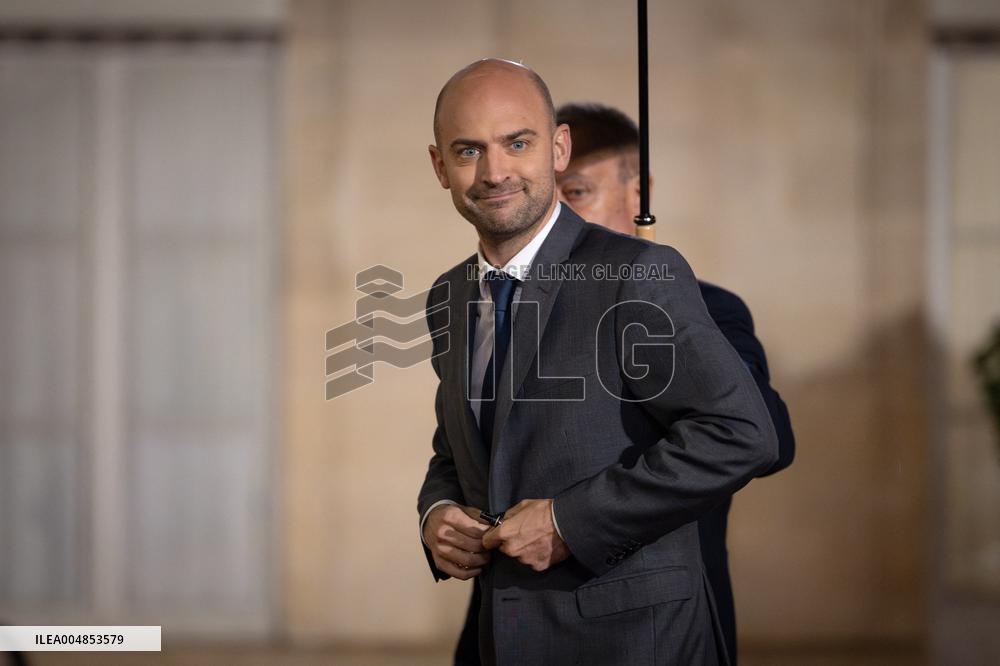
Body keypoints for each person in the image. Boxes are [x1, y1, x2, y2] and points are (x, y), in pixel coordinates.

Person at [418, 59, 779, 666]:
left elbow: (741, 433)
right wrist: (437, 512)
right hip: (500, 641)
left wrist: (567, 521)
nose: (494, 170)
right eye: (467, 150)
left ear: (558, 148)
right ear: (439, 167)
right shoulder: (446, 297)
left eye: (517, 142)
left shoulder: (637, 275)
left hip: (636, 644)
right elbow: (461, 449)